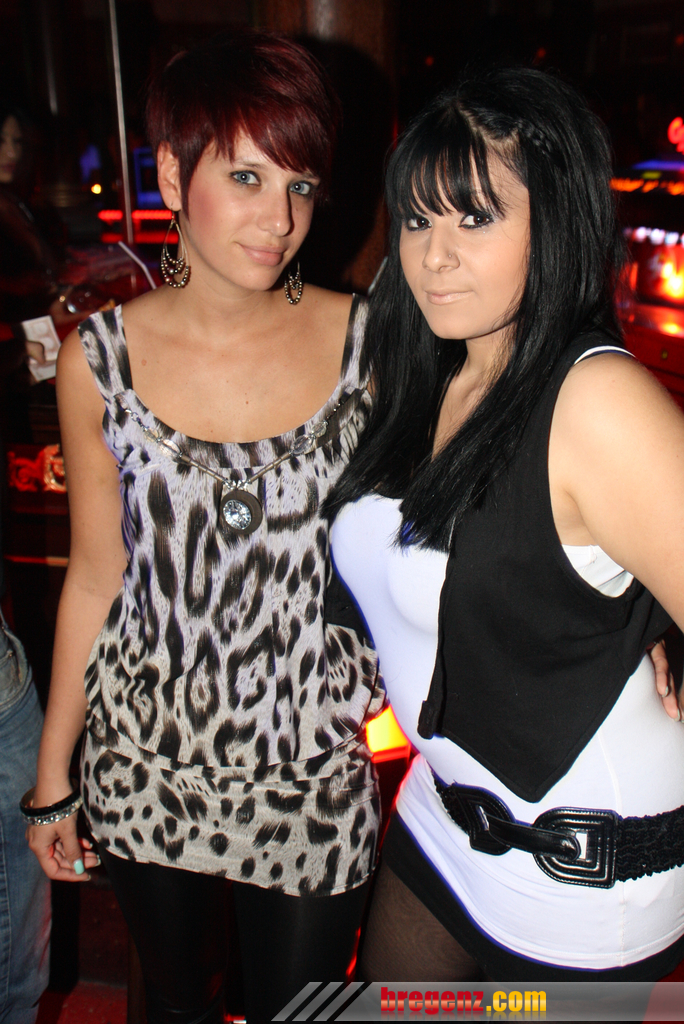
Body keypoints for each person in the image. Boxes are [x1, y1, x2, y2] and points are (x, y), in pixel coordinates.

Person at [26, 31, 383, 1024]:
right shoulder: (98, 360)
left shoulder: (369, 344)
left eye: (301, 185)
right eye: (247, 177)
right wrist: (53, 778)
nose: (281, 218)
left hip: (311, 766)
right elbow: (95, 577)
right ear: (174, 177)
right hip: (146, 761)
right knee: (177, 1006)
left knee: (302, 1011)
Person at [329, 66, 684, 981]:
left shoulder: (597, 399)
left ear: (556, 221)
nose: (434, 256)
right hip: (441, 807)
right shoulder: (426, 369)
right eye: (418, 220)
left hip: (585, 864)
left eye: (476, 217)